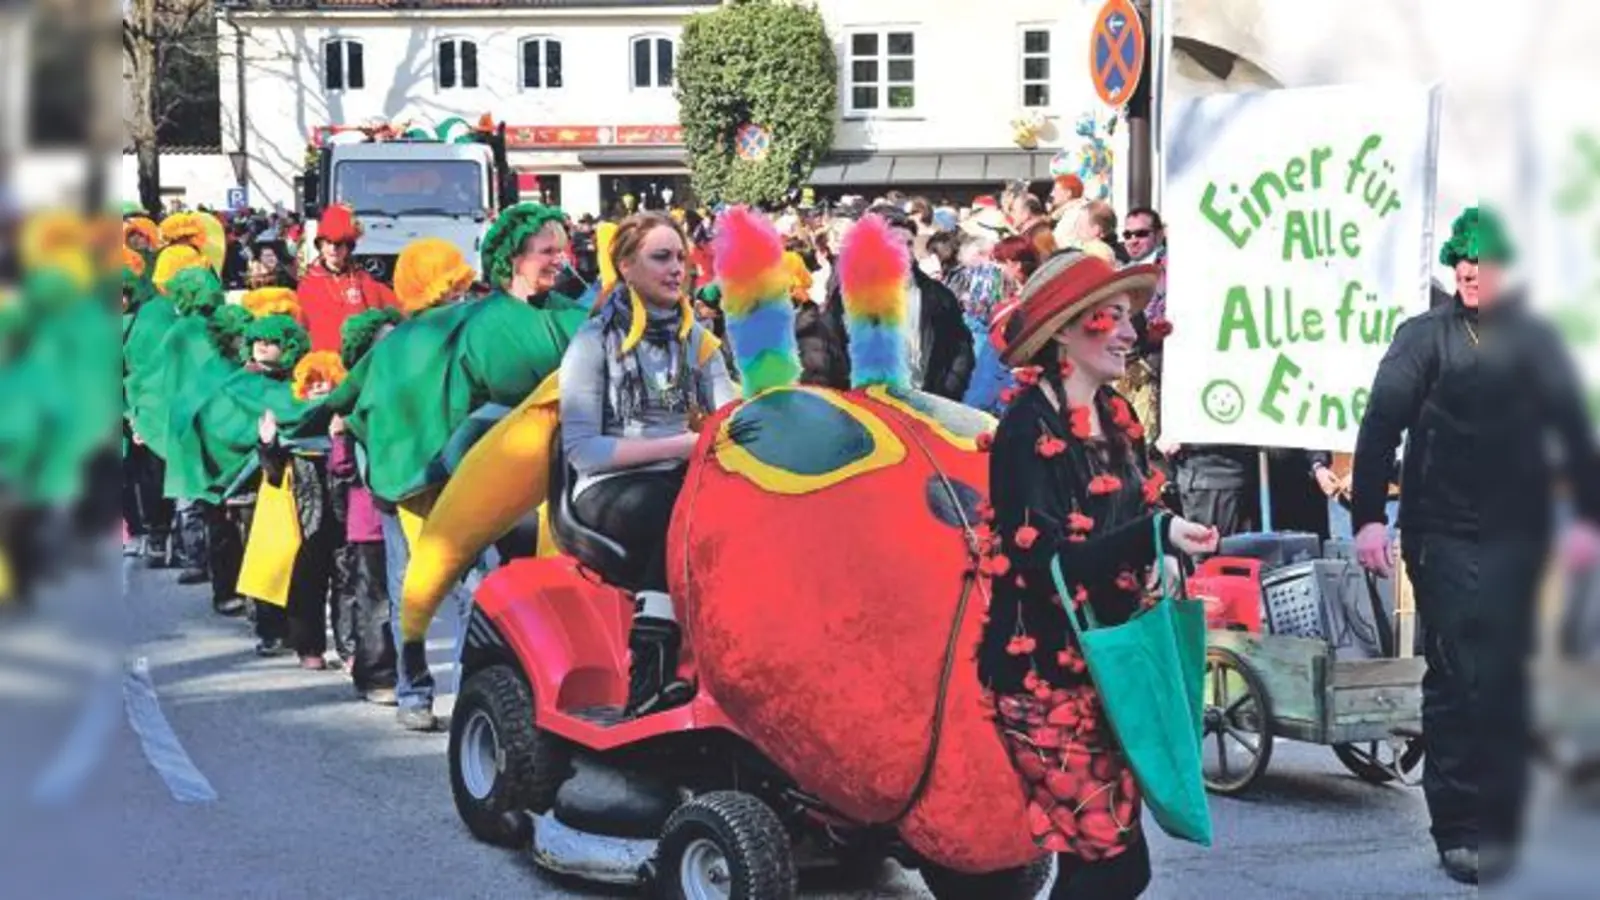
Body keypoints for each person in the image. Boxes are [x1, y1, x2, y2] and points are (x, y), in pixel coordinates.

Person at [1351, 207, 1600, 885]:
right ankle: (1459, 829)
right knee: (1464, 673)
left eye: (1483, 262)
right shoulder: (1424, 338)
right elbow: (1380, 427)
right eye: (1461, 260)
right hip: (1443, 533)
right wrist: (1369, 518)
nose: (1469, 270)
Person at [981, 249, 1219, 899]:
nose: (1126, 330)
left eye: (1126, 317)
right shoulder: (1024, 429)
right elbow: (1041, 563)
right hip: (1043, 674)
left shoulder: (1118, 416)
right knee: (1113, 866)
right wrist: (1150, 537)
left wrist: (1168, 542)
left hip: (1113, 668)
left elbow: (1143, 508)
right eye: (1106, 317)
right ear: (1062, 330)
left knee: (1105, 865)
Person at [559, 212, 737, 718]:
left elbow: (726, 417)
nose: (677, 269)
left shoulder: (697, 340)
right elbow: (582, 450)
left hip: (680, 472)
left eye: (681, 257)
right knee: (675, 509)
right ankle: (651, 667)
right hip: (606, 486)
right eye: (661, 257)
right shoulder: (593, 341)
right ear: (626, 266)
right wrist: (681, 445)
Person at [803, 205, 975, 401]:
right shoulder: (848, 295)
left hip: (924, 406)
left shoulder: (938, 296)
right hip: (866, 408)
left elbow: (961, 348)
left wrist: (948, 390)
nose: (903, 251)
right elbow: (829, 349)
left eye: (909, 244)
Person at [296, 205, 398, 352]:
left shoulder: (362, 279)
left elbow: (388, 307)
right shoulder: (308, 283)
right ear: (320, 245)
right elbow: (301, 326)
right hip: (323, 361)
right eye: (328, 243)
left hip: (360, 358)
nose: (333, 249)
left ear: (348, 247)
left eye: (338, 244)